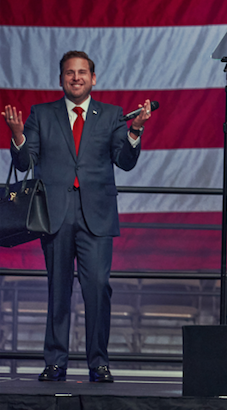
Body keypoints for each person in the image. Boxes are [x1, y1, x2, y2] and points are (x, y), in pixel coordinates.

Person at [4, 51, 153, 383]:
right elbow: (25, 162)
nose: (75, 77)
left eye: (82, 72)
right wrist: (17, 135)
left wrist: (135, 131)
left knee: (97, 288)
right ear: (60, 79)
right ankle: (55, 362)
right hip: (54, 215)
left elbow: (124, 161)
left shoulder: (113, 115)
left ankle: (98, 363)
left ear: (93, 78)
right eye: (69, 72)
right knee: (58, 290)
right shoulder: (41, 114)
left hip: (96, 215)